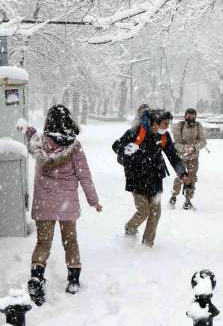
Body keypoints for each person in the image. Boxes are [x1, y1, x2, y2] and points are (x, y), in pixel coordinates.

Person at [23, 105, 102, 306]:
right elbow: (85, 176)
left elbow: (33, 148)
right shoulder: (74, 147)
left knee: (43, 244)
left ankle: (37, 277)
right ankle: (73, 280)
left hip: (44, 203)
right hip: (67, 205)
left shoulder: (39, 142)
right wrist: (94, 200)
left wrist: (29, 134)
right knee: (70, 241)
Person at [113, 109, 188, 247]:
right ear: (154, 123)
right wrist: (126, 148)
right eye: (165, 123)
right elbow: (116, 146)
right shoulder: (136, 132)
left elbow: (173, 156)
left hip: (155, 178)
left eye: (168, 123)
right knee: (144, 211)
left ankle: (148, 244)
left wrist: (182, 173)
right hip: (137, 178)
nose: (167, 127)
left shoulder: (164, 136)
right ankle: (130, 228)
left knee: (155, 213)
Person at [170, 108, 207, 210]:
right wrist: (184, 148)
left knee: (192, 178)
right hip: (181, 157)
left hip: (194, 157)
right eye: (188, 116)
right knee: (180, 177)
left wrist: (195, 147)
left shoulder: (198, 126)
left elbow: (203, 141)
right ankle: (173, 196)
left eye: (193, 116)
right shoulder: (179, 126)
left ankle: (188, 200)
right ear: (185, 116)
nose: (190, 118)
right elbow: (176, 143)